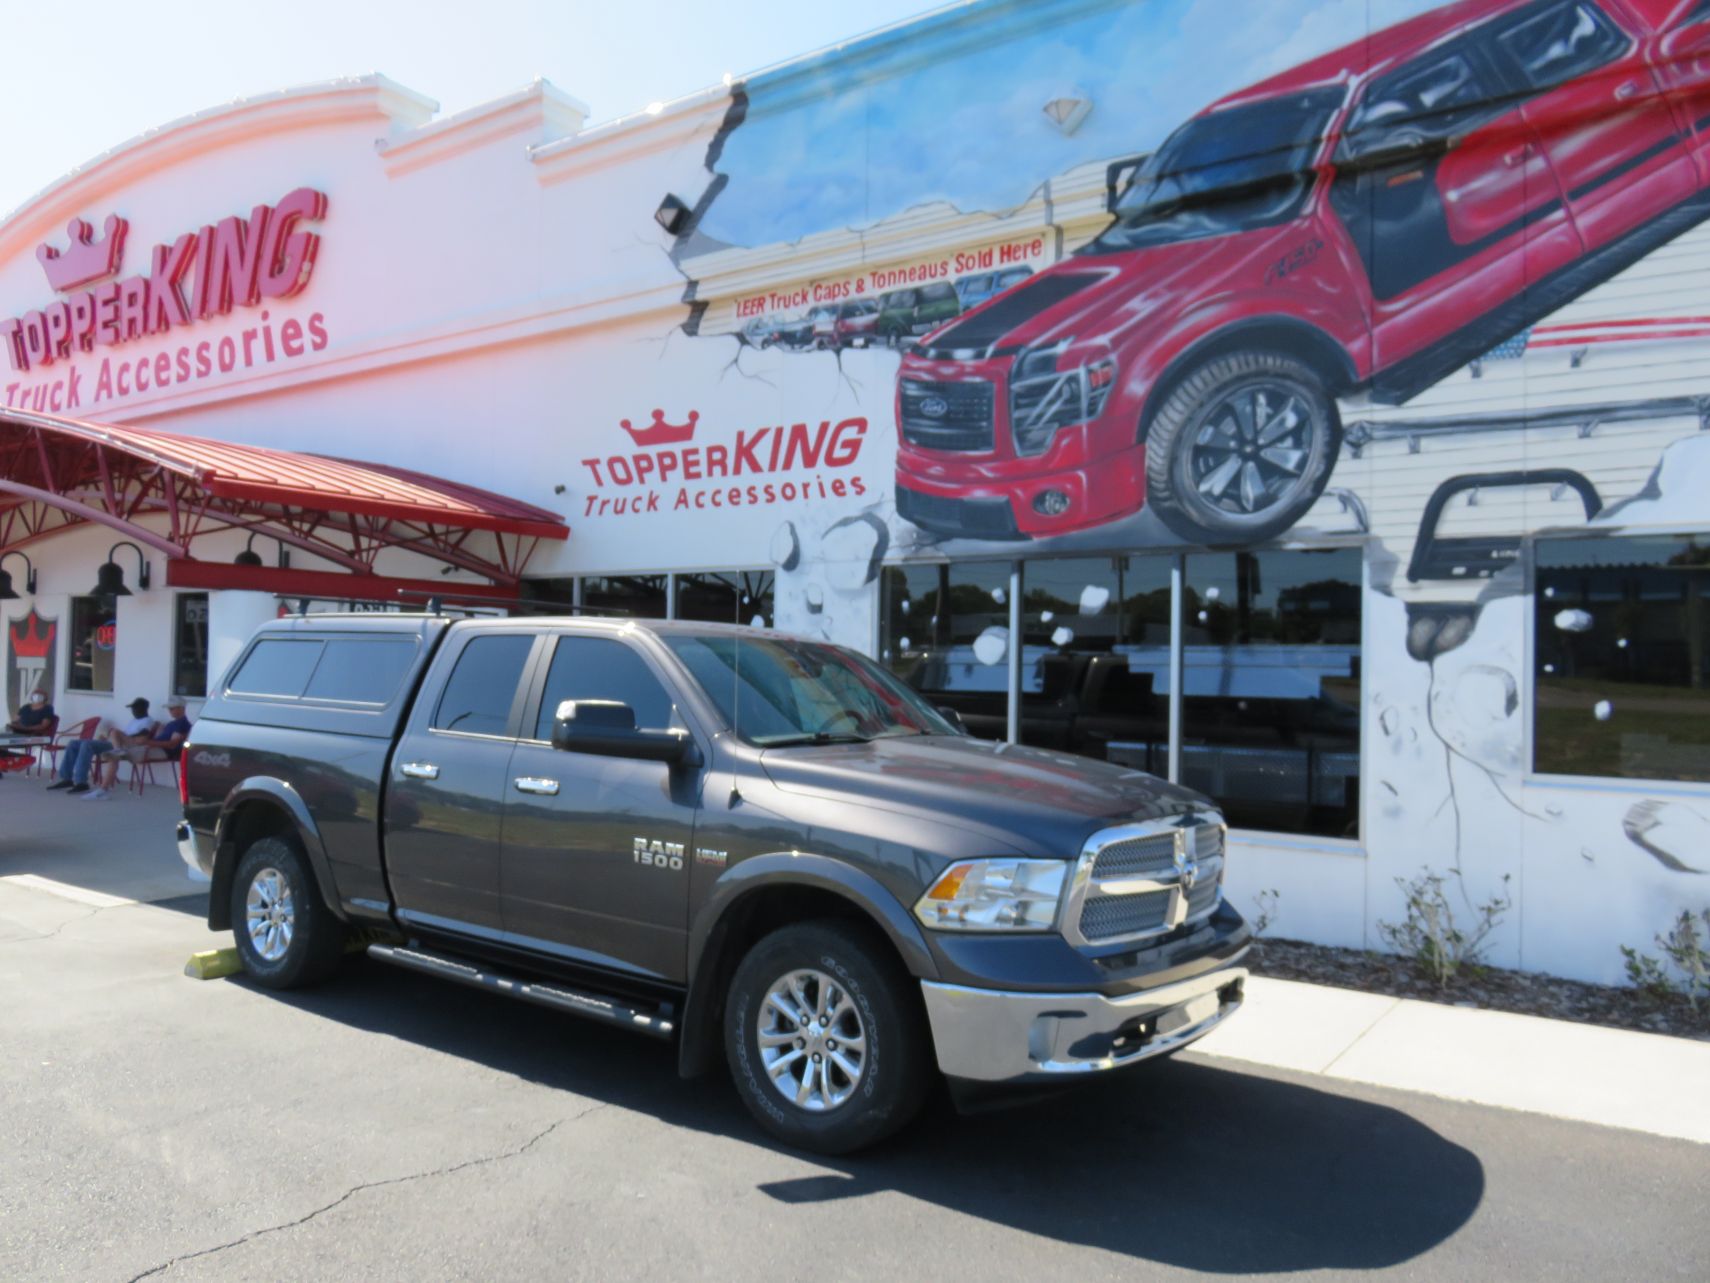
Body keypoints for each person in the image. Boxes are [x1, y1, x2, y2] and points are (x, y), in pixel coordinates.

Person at [85, 699, 192, 799]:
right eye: (169, 708)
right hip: (149, 747)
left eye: (172, 708)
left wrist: (147, 742)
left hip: (162, 752)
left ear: (182, 708)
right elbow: (159, 738)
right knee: (114, 740)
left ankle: (103, 789)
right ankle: (104, 787)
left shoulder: (182, 724)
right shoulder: (171, 724)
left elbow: (172, 745)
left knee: (114, 755)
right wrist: (153, 735)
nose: (170, 710)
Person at [47, 697, 153, 796]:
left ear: (144, 709)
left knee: (87, 745)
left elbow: (142, 735)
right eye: (133, 709)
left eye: (136, 708)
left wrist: (119, 735)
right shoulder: (134, 721)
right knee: (73, 743)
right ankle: (66, 779)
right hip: (114, 742)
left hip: (123, 745)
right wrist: (108, 736)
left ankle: (81, 782)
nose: (133, 711)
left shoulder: (148, 721)